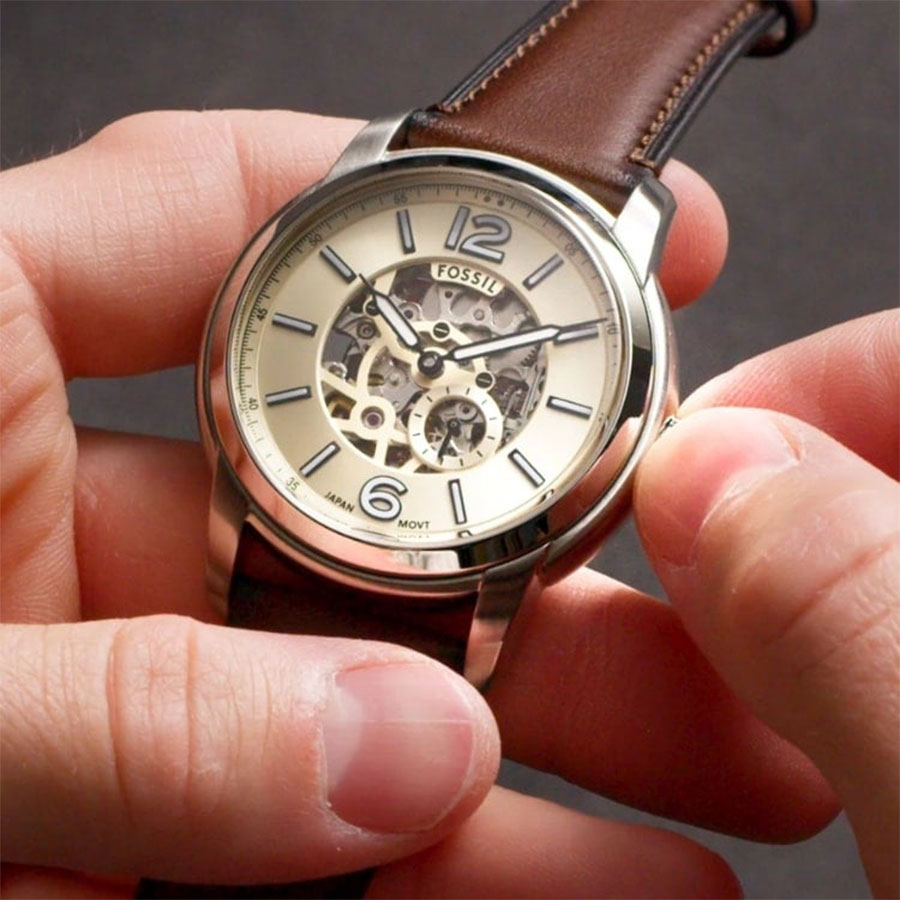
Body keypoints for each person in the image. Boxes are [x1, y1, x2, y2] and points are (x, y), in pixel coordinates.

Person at [0, 111, 896, 899]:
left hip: (430, 542)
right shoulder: (374, 192)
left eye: (449, 359)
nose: (434, 361)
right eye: (420, 351)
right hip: (291, 504)